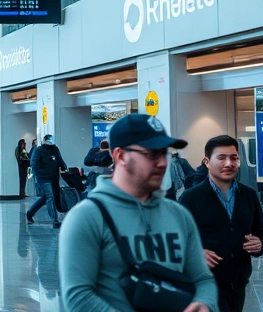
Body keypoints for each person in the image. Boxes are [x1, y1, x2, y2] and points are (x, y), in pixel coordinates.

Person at [59, 113, 217, 312]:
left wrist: (204, 304)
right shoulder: (86, 217)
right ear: (120, 155)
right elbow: (78, 298)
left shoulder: (179, 215)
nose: (162, 163)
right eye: (151, 154)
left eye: (163, 153)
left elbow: (203, 279)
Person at [179, 135, 263, 312]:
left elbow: (261, 233)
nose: (229, 163)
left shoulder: (249, 195)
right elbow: (176, 239)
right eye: (221, 158)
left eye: (234, 158)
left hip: (239, 284)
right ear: (207, 162)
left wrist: (261, 244)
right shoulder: (191, 198)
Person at [26, 134, 66, 228]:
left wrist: (64, 166)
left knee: (45, 198)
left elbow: (59, 159)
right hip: (43, 178)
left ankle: (30, 213)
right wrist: (41, 173)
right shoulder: (38, 150)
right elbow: (34, 164)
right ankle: (55, 220)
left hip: (54, 178)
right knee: (50, 196)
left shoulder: (55, 149)